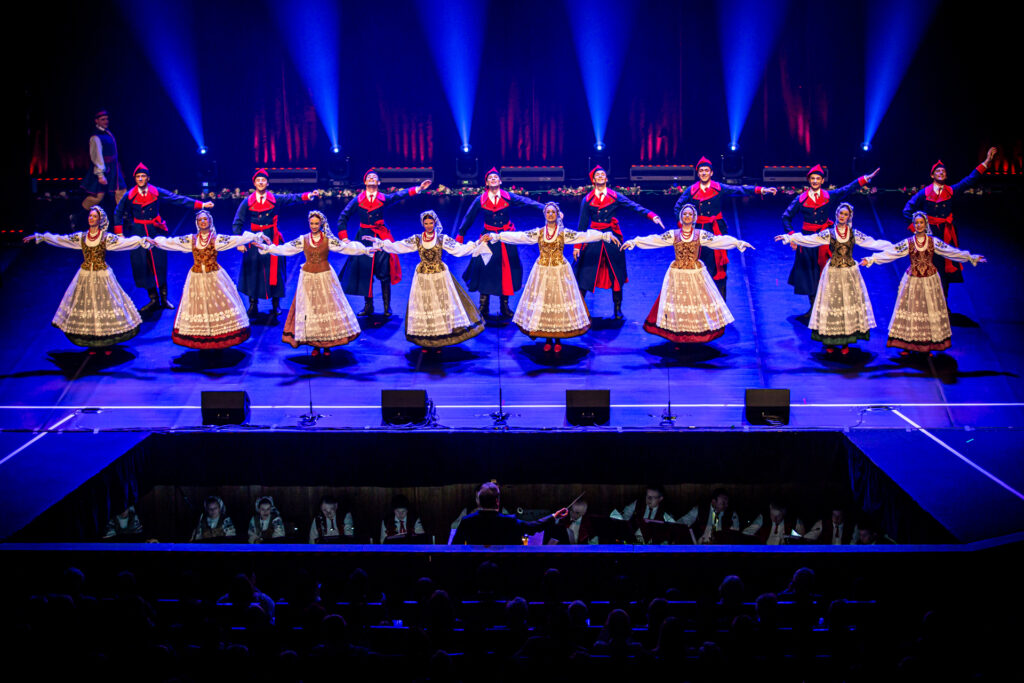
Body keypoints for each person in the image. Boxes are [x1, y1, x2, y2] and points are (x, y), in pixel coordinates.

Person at [495, 201, 619, 351]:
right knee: (545, 303)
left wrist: (604, 235)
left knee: (558, 304)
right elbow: (520, 236)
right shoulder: (539, 232)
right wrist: (497, 236)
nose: (551, 214)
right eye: (548, 212)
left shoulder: (563, 233)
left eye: (553, 212)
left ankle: (558, 339)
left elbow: (583, 236)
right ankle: (547, 339)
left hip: (559, 271)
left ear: (557, 214)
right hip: (542, 272)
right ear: (544, 215)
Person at [622, 203, 753, 344]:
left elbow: (717, 240)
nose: (687, 216)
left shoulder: (700, 234)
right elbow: (656, 240)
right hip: (677, 273)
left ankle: (695, 333)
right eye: (685, 214)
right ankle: (679, 333)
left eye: (690, 214)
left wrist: (738, 243)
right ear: (681, 217)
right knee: (678, 303)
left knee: (696, 302)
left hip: (695, 273)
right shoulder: (674, 234)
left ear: (694, 218)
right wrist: (634, 242)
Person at [861, 211, 985, 355]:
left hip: (929, 281)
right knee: (911, 312)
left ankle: (926, 346)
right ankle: (908, 345)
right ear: (913, 225)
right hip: (913, 281)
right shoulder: (908, 242)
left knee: (927, 312)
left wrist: (971, 257)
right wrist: (872, 259)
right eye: (917, 223)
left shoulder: (933, 241)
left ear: (926, 224)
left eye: (921, 223)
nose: (919, 225)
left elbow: (951, 252)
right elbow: (892, 253)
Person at [774, 203, 891, 354]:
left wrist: (891, 248)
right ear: (836, 215)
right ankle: (829, 341)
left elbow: (872, 243)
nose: (842, 216)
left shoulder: (854, 234)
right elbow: (810, 239)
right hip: (833, 273)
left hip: (849, 273)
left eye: (845, 214)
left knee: (846, 305)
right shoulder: (829, 233)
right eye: (840, 214)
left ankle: (845, 343)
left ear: (849, 217)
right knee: (832, 305)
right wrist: (789, 237)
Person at [23, 206, 145, 352]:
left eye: (94, 216)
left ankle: (107, 342)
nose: (91, 218)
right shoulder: (82, 237)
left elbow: (123, 243)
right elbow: (62, 239)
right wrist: (42, 237)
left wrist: (142, 240)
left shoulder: (106, 237)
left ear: (100, 220)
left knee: (104, 307)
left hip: (102, 276)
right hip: (85, 275)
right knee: (90, 309)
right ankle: (92, 342)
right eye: (90, 216)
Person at [370, 210, 489, 350]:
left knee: (440, 304)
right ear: (422, 224)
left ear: (435, 223)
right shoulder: (417, 239)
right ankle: (427, 338)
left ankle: (442, 335)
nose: (428, 226)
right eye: (426, 223)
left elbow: (459, 249)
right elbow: (400, 246)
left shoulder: (441, 238)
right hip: (423, 276)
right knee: (426, 305)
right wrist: (382, 244)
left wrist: (477, 243)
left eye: (431, 223)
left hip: (439, 276)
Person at [256, 211, 369, 356]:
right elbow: (287, 248)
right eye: (311, 223)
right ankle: (315, 345)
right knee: (311, 310)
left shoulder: (328, 239)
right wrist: (267, 248)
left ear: (321, 224)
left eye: (316, 223)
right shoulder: (303, 239)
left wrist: (365, 249)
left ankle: (327, 345)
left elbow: (344, 247)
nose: (314, 226)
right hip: (308, 278)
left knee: (327, 310)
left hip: (324, 277)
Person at [147, 210, 262, 349]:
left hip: (213, 275)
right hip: (196, 277)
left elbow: (235, 240)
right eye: (200, 220)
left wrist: (255, 237)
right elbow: (174, 242)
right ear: (197, 223)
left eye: (205, 219)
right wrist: (157, 242)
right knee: (198, 305)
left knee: (217, 304)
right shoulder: (192, 239)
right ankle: (201, 338)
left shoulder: (216, 239)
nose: (203, 222)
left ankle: (219, 337)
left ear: (210, 222)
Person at [672, 156, 777, 300]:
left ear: (711, 173)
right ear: (698, 173)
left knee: (719, 266)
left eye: (706, 170)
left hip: (716, 230)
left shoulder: (718, 187)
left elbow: (740, 190)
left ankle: (720, 304)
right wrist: (683, 226)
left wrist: (761, 190)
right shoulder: (692, 190)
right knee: (699, 264)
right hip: (698, 231)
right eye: (701, 171)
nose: (704, 173)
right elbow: (678, 206)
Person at [114, 163, 213, 314]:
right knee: (144, 264)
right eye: (138, 177)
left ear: (148, 178)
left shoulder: (155, 191)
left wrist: (201, 205)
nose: (140, 179)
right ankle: (153, 299)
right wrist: (119, 233)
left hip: (156, 231)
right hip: (140, 232)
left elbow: (176, 199)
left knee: (159, 263)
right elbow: (118, 212)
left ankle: (164, 298)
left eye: (143, 176)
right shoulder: (130, 195)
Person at [781, 165, 879, 315]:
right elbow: (786, 217)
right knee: (810, 273)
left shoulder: (828, 196)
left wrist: (865, 179)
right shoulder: (800, 199)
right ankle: (813, 307)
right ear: (809, 180)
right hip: (808, 240)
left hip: (825, 238)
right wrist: (793, 236)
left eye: (817, 179)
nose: (815, 181)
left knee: (828, 271)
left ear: (822, 181)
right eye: (812, 179)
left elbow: (846, 189)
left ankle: (828, 305)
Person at [902, 147, 996, 300]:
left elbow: (969, 180)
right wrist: (919, 229)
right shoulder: (924, 193)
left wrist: (986, 162)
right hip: (930, 235)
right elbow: (907, 210)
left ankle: (942, 304)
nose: (941, 173)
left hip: (946, 235)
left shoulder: (950, 191)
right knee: (928, 268)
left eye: (943, 171)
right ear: (932, 175)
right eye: (938, 171)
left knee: (945, 270)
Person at [575, 165, 665, 319]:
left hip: (613, 238)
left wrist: (652, 216)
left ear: (606, 178)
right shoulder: (587, 199)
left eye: (603, 174)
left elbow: (633, 206)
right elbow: (582, 224)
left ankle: (617, 308)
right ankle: (581, 308)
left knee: (616, 273)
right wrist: (577, 245)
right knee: (586, 272)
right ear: (593, 179)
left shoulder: (615, 196)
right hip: (594, 236)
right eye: (598, 175)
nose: (601, 176)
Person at [337, 170, 431, 316]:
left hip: (381, 238)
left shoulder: (383, 198)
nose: (372, 178)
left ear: (378, 183)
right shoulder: (358, 199)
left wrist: (418, 188)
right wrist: (344, 238)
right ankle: (369, 306)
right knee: (365, 273)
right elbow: (343, 216)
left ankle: (387, 307)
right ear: (366, 182)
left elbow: (399, 195)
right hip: (364, 238)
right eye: (369, 177)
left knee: (384, 273)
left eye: (375, 177)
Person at [455, 167, 546, 318]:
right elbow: (469, 216)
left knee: (507, 271)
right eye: (490, 178)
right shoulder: (481, 199)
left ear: (500, 181)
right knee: (486, 270)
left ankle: (505, 307)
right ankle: (483, 307)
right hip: (488, 239)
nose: (493, 180)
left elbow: (527, 202)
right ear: (487, 182)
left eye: (495, 178)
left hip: (506, 237)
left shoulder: (507, 196)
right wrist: (461, 233)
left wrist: (545, 208)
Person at [232, 168, 321, 320]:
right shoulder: (247, 201)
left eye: (263, 180)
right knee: (254, 271)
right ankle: (253, 304)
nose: (261, 182)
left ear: (267, 183)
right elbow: (237, 222)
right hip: (254, 240)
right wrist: (238, 242)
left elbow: (292, 198)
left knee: (275, 272)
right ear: (254, 183)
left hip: (272, 239)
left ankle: (276, 304)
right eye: (258, 180)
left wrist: (308, 195)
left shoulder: (274, 198)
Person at [451, 482, 568, 545]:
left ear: (479, 502)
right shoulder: (509, 521)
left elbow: (454, 548)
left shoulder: (467, 521)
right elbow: (533, 527)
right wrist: (554, 516)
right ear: (497, 502)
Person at [81, 110, 126, 212]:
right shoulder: (96, 137)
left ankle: (123, 216)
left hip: (114, 169)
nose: (106, 121)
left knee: (121, 191)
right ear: (96, 121)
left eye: (106, 119)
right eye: (103, 119)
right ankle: (79, 214)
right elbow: (97, 156)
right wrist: (100, 174)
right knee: (98, 196)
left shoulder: (108, 132)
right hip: (105, 169)